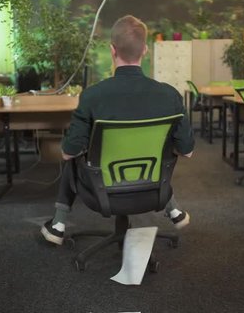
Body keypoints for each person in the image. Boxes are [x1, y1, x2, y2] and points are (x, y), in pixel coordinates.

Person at [41, 15, 195, 245]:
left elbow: (67, 152)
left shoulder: (92, 96)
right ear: (145, 50)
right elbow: (187, 150)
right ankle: (174, 211)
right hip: (153, 190)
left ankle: (58, 224)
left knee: (75, 155)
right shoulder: (169, 95)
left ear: (112, 50)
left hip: (102, 192)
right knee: (160, 151)